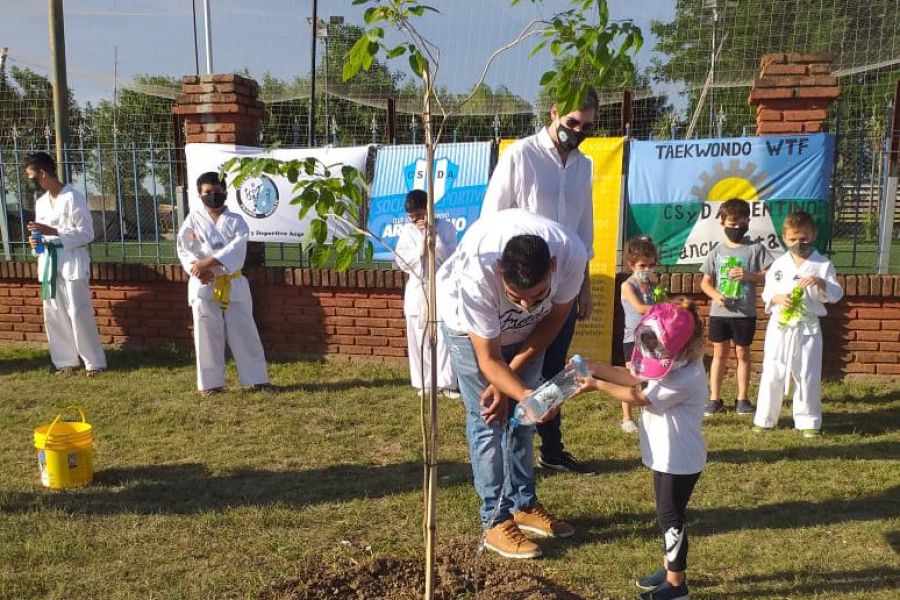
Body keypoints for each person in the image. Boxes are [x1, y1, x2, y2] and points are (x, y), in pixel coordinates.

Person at [437, 208, 587, 559]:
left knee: (523, 420)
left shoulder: (570, 254)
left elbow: (551, 322)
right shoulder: (476, 274)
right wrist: (517, 391)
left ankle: (524, 503)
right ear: (499, 271)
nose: (524, 305)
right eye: (516, 296)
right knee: (488, 418)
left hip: (531, 338)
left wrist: (520, 388)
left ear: (552, 267)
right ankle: (495, 519)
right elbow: (488, 358)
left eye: (536, 296)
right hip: (467, 330)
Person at [480, 87, 598, 474]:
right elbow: (492, 217)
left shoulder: (583, 166)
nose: (577, 132)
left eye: (586, 126)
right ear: (553, 112)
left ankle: (551, 446)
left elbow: (584, 227)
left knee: (556, 370)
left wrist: (584, 285)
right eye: (571, 123)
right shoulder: (521, 155)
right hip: (521, 282)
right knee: (520, 364)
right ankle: (512, 449)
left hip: (561, 281)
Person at [574, 299, 707, 600]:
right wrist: (597, 368)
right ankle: (668, 568)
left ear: (683, 348)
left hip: (680, 460)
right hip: (665, 456)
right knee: (665, 515)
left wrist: (597, 384)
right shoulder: (674, 361)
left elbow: (638, 396)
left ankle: (677, 585)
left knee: (671, 518)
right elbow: (637, 377)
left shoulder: (686, 376)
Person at [176, 171, 271, 396]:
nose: (213, 196)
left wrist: (208, 262)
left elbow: (237, 248)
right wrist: (197, 269)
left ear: (225, 192)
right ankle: (210, 384)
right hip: (204, 283)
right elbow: (183, 248)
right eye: (208, 192)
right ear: (199, 195)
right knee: (206, 333)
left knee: (245, 331)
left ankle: (257, 379)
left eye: (217, 192)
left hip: (233, 282)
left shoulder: (237, 221)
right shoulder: (193, 219)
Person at [753, 211, 843, 437]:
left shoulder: (821, 264)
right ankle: (765, 418)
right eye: (793, 239)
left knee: (806, 372)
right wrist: (777, 298)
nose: (798, 244)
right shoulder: (779, 265)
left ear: (812, 235)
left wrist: (820, 282)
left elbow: (836, 293)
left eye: (803, 239)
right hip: (781, 325)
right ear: (785, 238)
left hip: (807, 326)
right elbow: (767, 293)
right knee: (773, 370)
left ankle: (808, 421)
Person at [24, 151, 107, 376]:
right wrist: (36, 240)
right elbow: (41, 233)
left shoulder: (73, 198)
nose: (31, 182)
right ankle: (65, 361)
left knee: (78, 311)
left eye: (31, 177)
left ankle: (94, 362)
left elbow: (87, 233)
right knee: (53, 311)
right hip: (49, 260)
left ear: (43, 173)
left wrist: (54, 231)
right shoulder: (41, 203)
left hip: (72, 260)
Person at [699, 199, 773, 416]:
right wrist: (716, 296)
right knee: (719, 354)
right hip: (719, 313)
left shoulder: (756, 249)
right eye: (731, 225)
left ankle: (742, 398)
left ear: (748, 222)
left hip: (744, 313)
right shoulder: (716, 251)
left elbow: (770, 275)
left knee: (743, 353)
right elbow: (705, 282)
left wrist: (749, 275)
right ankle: (714, 398)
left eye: (741, 224)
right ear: (722, 224)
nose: (736, 228)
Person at [393, 189, 458, 397]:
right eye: (411, 216)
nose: (415, 220)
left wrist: (433, 237)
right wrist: (421, 246)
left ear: (429, 210)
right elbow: (402, 262)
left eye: (419, 214)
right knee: (419, 336)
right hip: (418, 287)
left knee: (442, 334)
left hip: (441, 287)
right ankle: (425, 383)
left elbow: (449, 258)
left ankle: (446, 382)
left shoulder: (446, 228)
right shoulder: (407, 232)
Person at [619, 236, 659, 434]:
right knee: (631, 377)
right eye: (642, 265)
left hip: (651, 335)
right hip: (632, 338)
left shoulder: (652, 283)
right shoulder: (628, 285)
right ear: (631, 265)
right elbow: (639, 307)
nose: (647, 269)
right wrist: (661, 308)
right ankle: (627, 417)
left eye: (651, 265)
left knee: (650, 375)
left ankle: (647, 411)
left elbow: (662, 299)